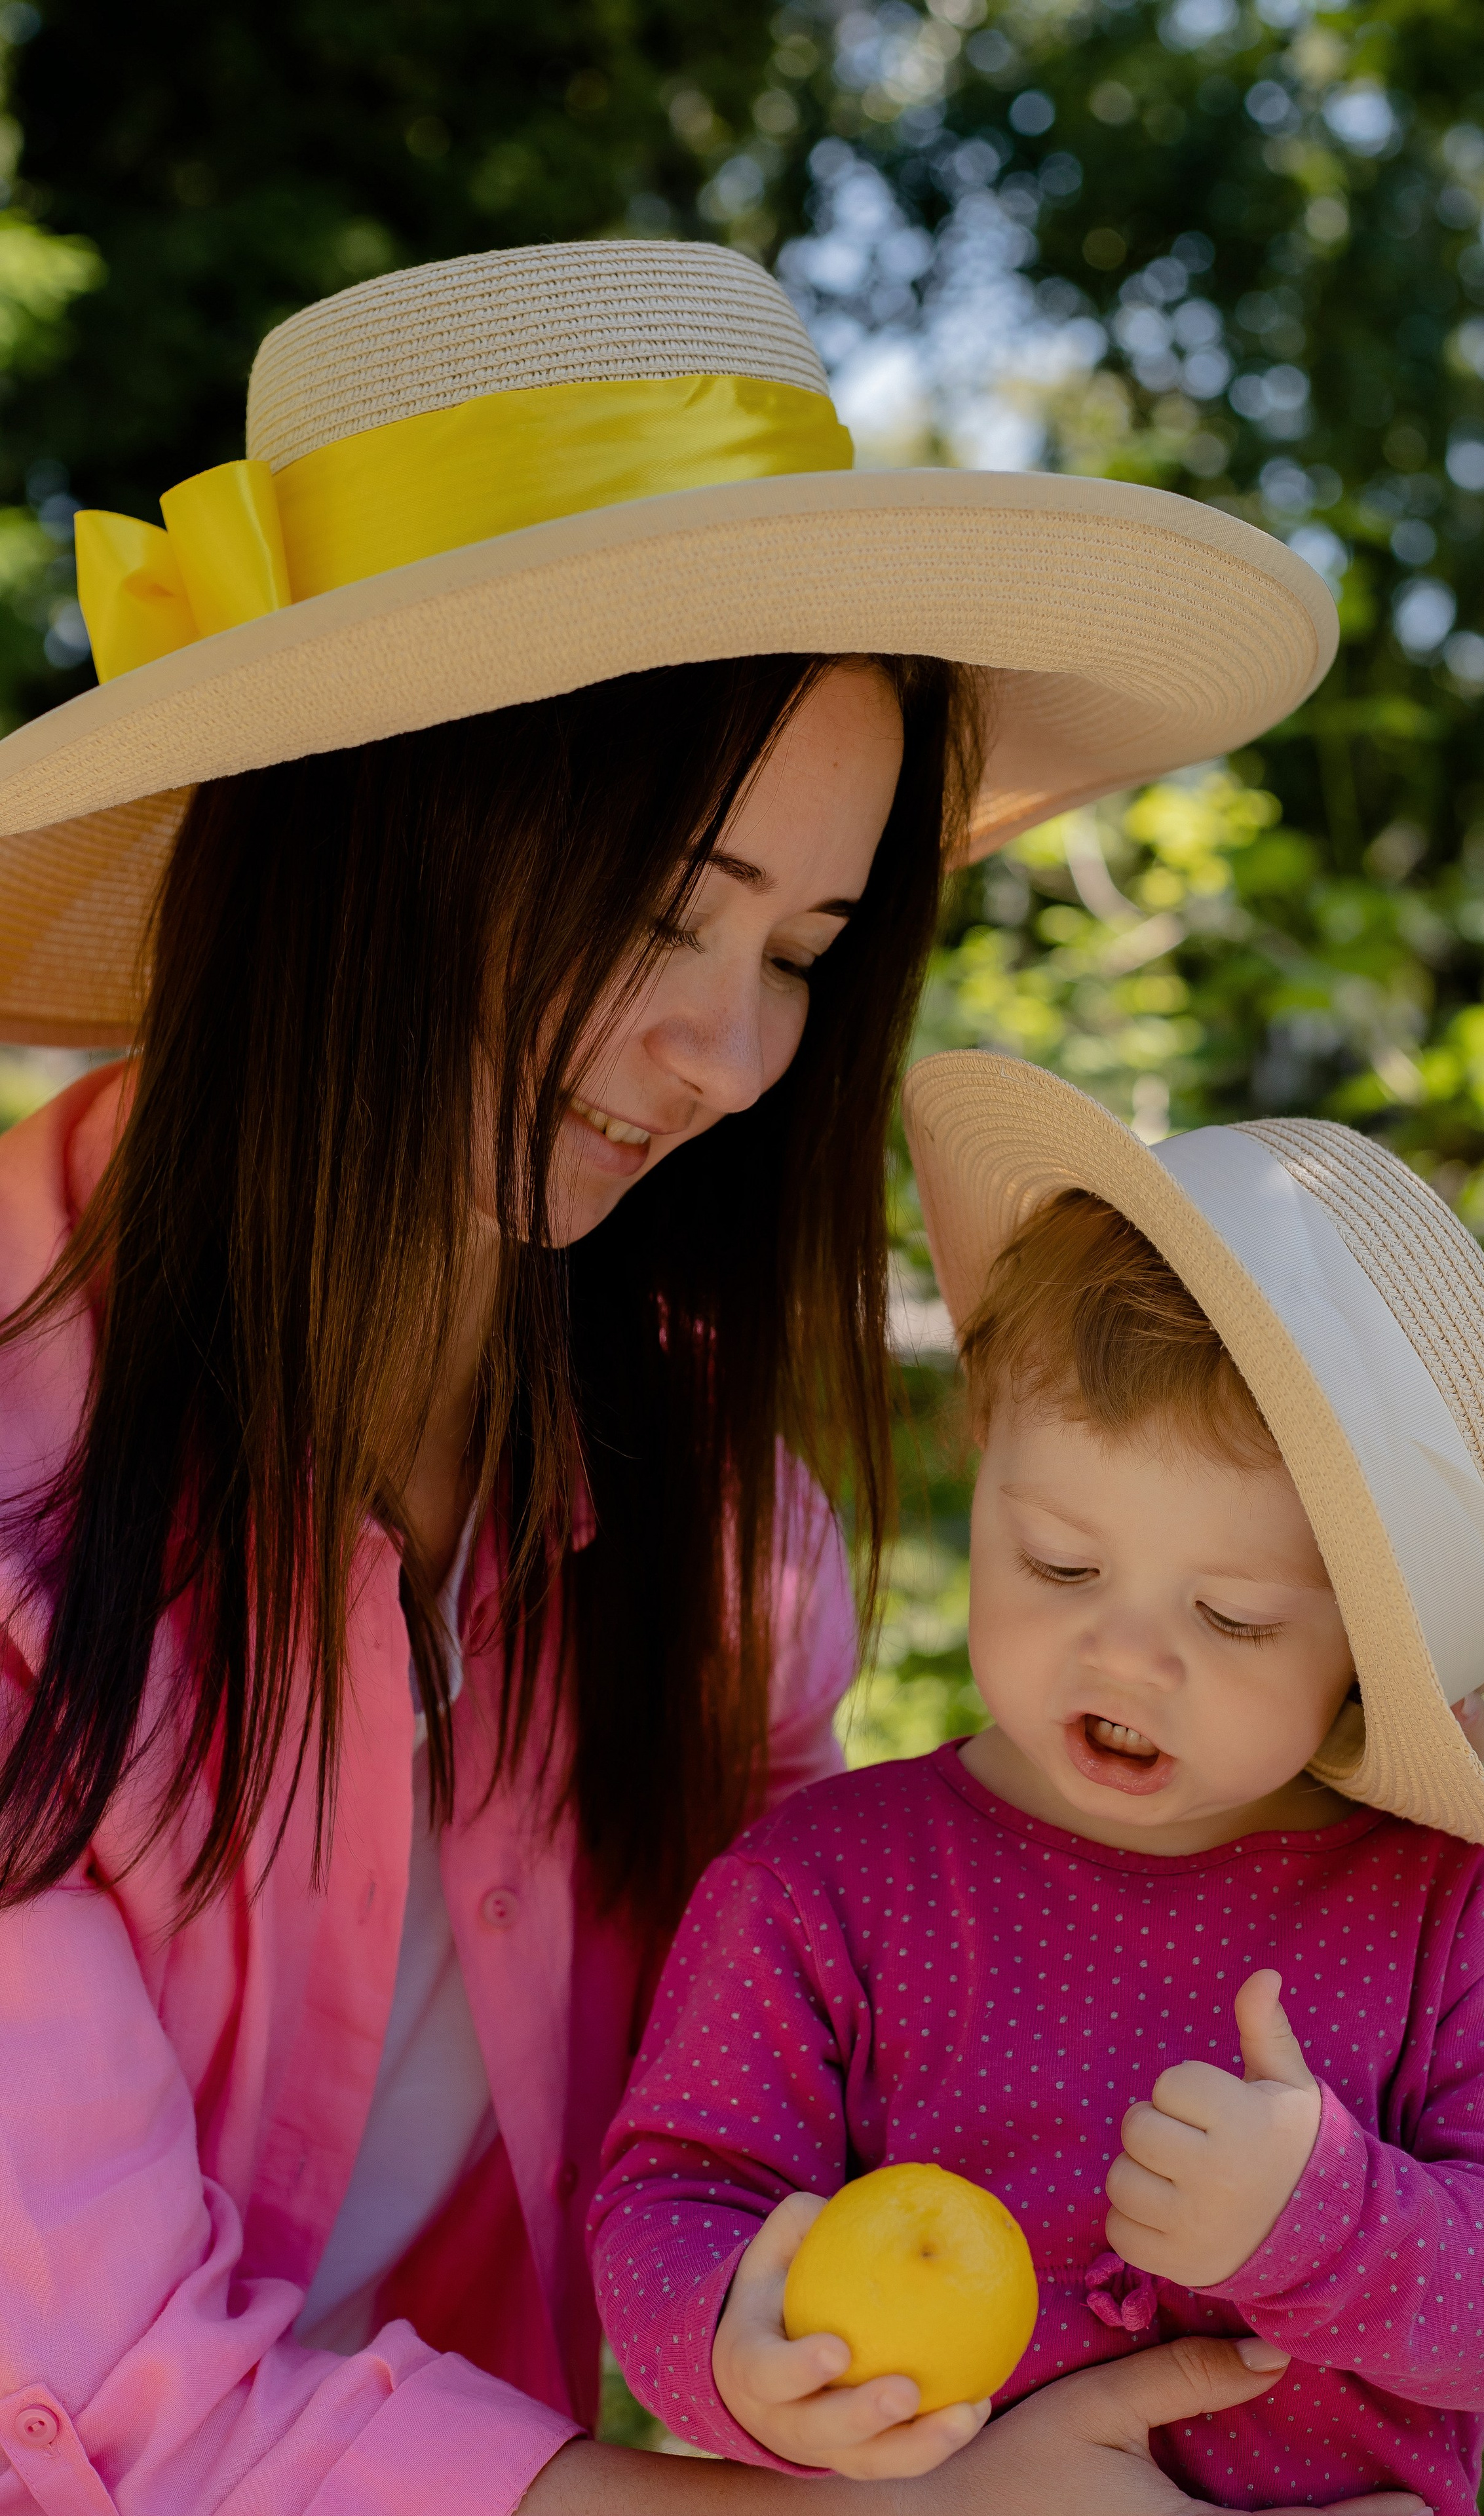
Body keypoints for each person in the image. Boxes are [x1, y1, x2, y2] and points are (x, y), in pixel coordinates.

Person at [0, 238, 1405, 2516]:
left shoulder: (718, 1530)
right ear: (359, 832)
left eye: (801, 953)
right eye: (665, 910)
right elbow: (95, 2409)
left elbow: (812, 2125)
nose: (734, 1058)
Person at [590, 1053, 1484, 2516]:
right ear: (985, 1462)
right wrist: (732, 2346)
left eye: (1232, 1619)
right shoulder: (822, 1882)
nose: (1124, 1655)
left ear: (1365, 1655)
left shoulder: (1440, 1918)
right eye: (1059, 1565)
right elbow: (677, 2195)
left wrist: (1328, 2220)